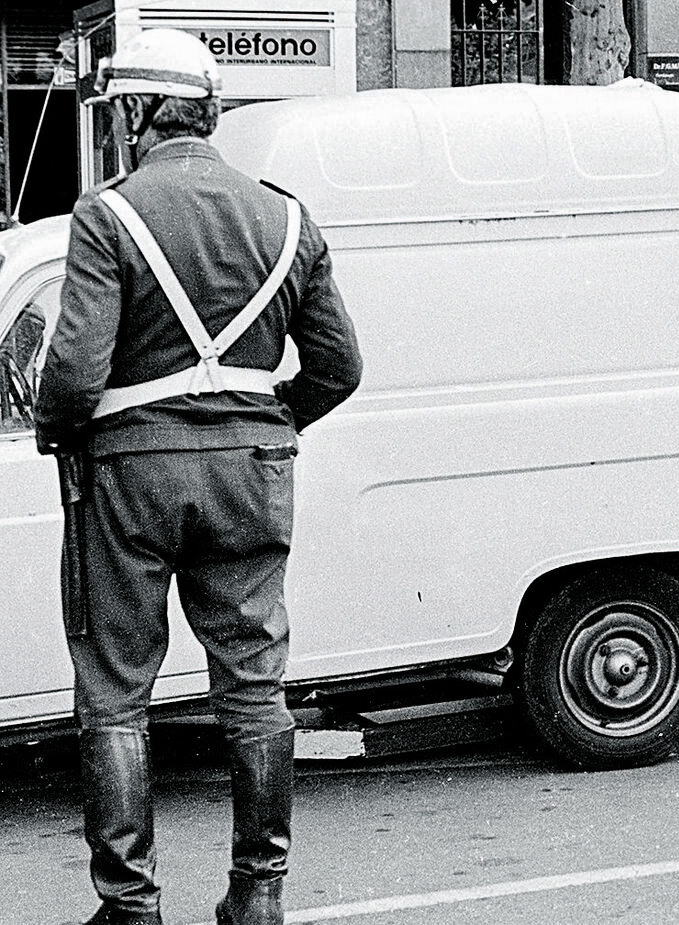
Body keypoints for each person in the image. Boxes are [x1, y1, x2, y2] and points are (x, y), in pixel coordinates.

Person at [33, 29, 362, 925]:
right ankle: (259, 897)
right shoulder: (287, 216)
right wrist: (266, 420)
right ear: (208, 115)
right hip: (253, 472)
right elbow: (340, 367)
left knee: (115, 689)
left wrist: (60, 434)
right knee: (256, 683)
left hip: (133, 478)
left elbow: (72, 374)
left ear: (137, 112)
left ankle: (132, 906)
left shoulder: (109, 213)